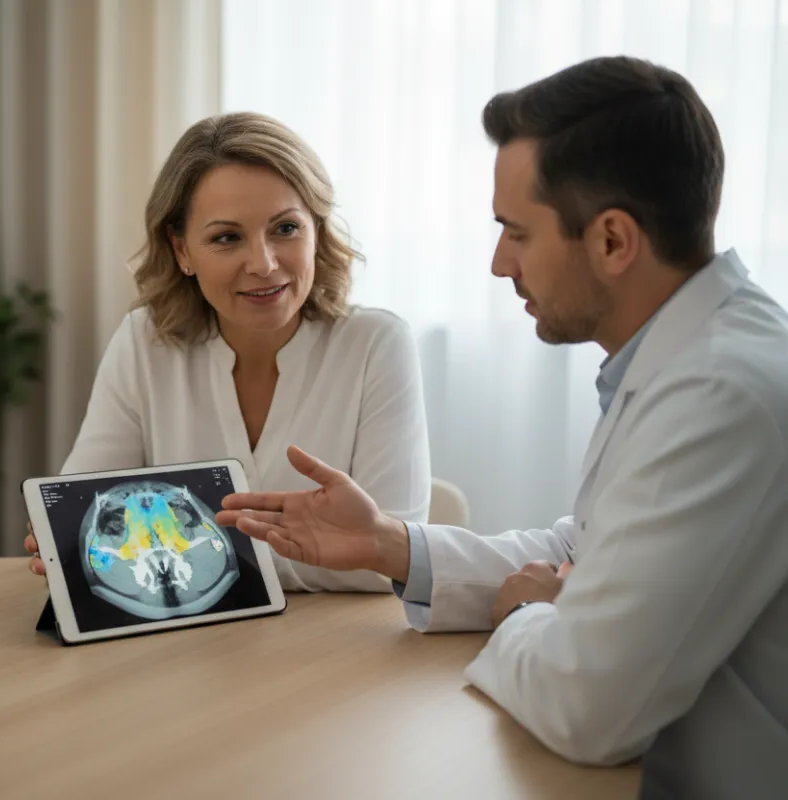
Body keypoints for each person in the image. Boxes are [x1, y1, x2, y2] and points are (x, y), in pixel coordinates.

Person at [216, 56, 788, 799]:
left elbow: (587, 707)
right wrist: (390, 546)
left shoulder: (720, 394)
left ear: (613, 241)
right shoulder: (692, 358)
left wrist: (524, 612)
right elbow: (583, 548)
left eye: (516, 232)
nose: (496, 263)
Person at [23, 111, 432, 593]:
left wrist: (173, 565)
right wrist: (73, 548)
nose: (263, 264)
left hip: (333, 653)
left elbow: (386, 563)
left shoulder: (377, 345)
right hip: (187, 655)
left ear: (316, 231)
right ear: (181, 251)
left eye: (285, 229)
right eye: (226, 238)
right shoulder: (143, 342)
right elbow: (81, 526)